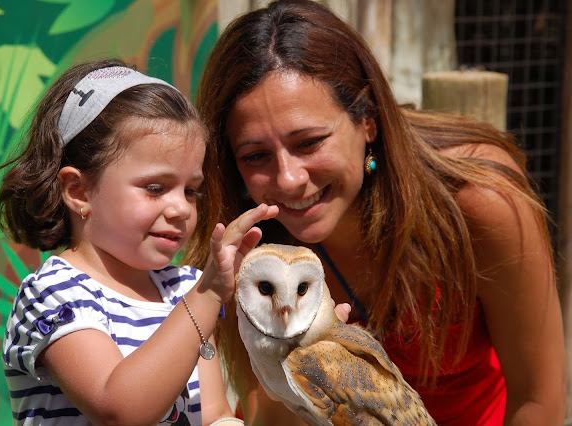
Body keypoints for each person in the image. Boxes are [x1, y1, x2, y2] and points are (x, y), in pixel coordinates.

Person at [184, 1, 567, 424]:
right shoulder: (253, 239)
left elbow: (538, 400)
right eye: (255, 154)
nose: (289, 178)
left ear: (367, 118)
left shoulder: (478, 200)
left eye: (309, 142)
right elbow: (269, 412)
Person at [0, 58, 278, 425]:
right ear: (79, 192)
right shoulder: (55, 293)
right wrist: (208, 295)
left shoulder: (184, 288)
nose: (180, 209)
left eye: (191, 190)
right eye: (155, 188)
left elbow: (214, 417)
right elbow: (120, 409)